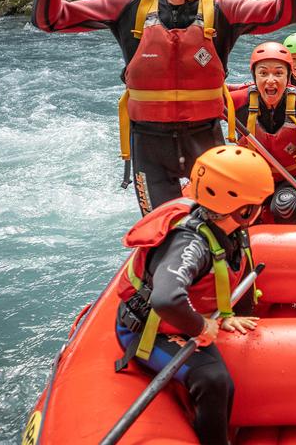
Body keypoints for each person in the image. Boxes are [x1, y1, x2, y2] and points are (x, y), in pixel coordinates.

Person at [32, 0, 296, 215]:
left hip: (206, 140)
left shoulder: (222, 8)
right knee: (164, 234)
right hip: (150, 147)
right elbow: (49, 20)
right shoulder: (127, 4)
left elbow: (285, 13)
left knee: (224, 229)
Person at [113, 145, 274, 445]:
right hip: (148, 329)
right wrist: (202, 326)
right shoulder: (191, 244)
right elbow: (165, 298)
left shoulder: (223, 226)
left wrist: (223, 317)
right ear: (244, 210)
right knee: (213, 380)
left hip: (175, 318)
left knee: (220, 381)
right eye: (258, 203)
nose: (261, 209)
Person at [228, 41, 296, 223]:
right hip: (252, 178)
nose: (270, 80)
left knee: (285, 205)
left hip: (292, 177)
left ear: (288, 76)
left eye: (278, 73)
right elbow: (203, 113)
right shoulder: (237, 101)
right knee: (234, 208)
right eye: (263, 73)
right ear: (254, 76)